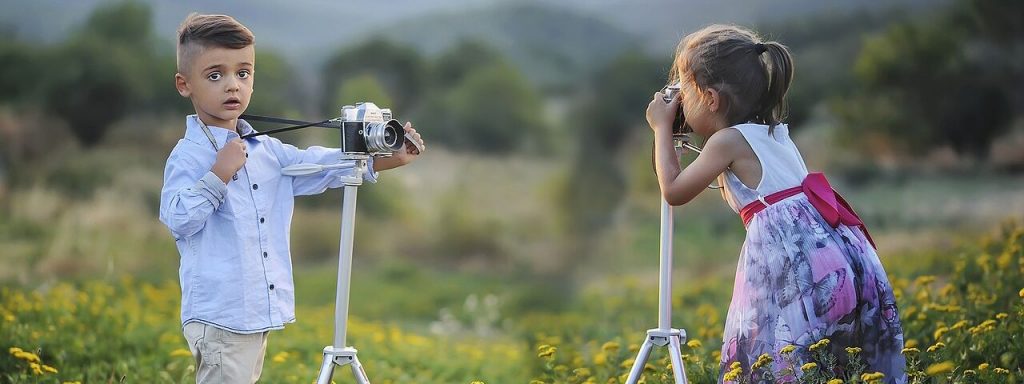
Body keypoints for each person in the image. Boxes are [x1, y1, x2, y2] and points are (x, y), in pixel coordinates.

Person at [159, 13, 424, 383]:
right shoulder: (189, 156)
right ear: (184, 84)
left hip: (255, 313)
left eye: (244, 73)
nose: (232, 86)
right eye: (215, 75)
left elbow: (314, 164)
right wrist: (219, 174)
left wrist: (382, 159)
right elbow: (177, 219)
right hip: (220, 315)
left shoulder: (266, 151)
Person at [646, 25, 905, 383]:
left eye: (684, 90)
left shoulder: (727, 141)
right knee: (832, 367)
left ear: (709, 98)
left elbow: (673, 191)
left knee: (773, 358)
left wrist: (661, 129)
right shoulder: (773, 132)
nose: (679, 102)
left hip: (797, 277)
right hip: (841, 264)